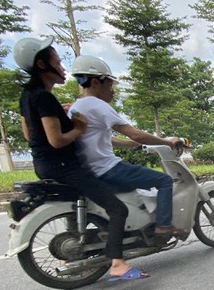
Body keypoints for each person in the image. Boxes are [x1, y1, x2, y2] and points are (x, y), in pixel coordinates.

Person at [14, 36, 148, 281]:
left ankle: (71, 255)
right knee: (117, 208)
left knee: (84, 202)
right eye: (57, 61)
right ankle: (118, 263)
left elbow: (28, 133)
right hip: (65, 166)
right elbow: (56, 141)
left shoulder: (28, 95)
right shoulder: (44, 98)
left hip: (44, 166)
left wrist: (61, 116)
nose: (63, 68)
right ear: (42, 65)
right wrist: (77, 126)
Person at [68, 55, 183, 237]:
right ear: (96, 83)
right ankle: (163, 226)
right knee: (164, 181)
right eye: (110, 85)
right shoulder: (98, 106)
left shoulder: (76, 107)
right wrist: (167, 142)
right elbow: (134, 133)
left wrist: (134, 145)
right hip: (107, 169)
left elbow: (103, 139)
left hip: (89, 170)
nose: (112, 91)